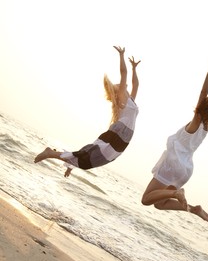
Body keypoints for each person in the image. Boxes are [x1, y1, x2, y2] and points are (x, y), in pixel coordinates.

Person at [141, 56, 208, 223]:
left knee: (146, 199)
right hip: (186, 170)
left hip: (172, 164)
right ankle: (193, 209)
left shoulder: (196, 122)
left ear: (199, 110)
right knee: (159, 204)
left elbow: (203, 93)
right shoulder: (207, 127)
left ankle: (176, 193)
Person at [34, 46, 141, 177]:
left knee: (94, 159)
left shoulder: (131, 101)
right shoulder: (122, 100)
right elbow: (124, 73)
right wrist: (121, 55)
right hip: (118, 136)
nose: (124, 85)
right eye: (121, 85)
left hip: (122, 139)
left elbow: (136, 85)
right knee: (92, 156)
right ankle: (50, 153)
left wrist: (134, 68)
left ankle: (71, 163)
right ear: (119, 91)